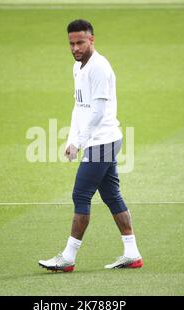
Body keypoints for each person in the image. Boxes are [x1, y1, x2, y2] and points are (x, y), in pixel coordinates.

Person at [38, 19, 142, 272]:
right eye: (71, 43)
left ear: (92, 40)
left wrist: (80, 142)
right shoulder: (78, 67)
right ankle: (132, 253)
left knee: (81, 195)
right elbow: (79, 106)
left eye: (80, 42)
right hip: (98, 140)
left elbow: (97, 112)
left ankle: (68, 258)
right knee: (111, 195)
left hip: (103, 141)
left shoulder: (99, 68)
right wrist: (72, 138)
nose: (75, 48)